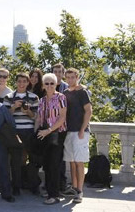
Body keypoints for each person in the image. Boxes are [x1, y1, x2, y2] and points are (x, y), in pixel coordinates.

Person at [3, 72, 40, 195]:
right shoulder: (8, 97)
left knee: (33, 159)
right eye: (19, 81)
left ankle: (33, 185)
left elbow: (36, 117)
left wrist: (28, 111)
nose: (22, 84)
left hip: (29, 131)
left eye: (24, 81)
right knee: (16, 161)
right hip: (15, 132)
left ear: (28, 83)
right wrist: (13, 107)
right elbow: (5, 116)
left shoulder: (34, 97)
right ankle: (16, 187)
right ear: (16, 82)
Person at [35, 73, 67, 205]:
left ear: (56, 84)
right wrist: (35, 133)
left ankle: (54, 195)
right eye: (46, 83)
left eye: (52, 83)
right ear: (43, 85)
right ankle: (49, 192)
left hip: (57, 134)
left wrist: (49, 130)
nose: (49, 86)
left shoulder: (61, 97)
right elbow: (38, 118)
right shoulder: (41, 100)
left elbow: (62, 118)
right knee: (47, 164)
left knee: (54, 164)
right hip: (44, 134)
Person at [62, 68, 92, 203]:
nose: (70, 80)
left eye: (72, 77)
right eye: (67, 77)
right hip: (68, 131)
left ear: (77, 77)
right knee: (72, 162)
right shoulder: (65, 93)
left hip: (80, 132)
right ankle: (74, 188)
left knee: (79, 162)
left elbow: (88, 111)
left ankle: (80, 191)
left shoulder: (83, 92)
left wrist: (82, 129)